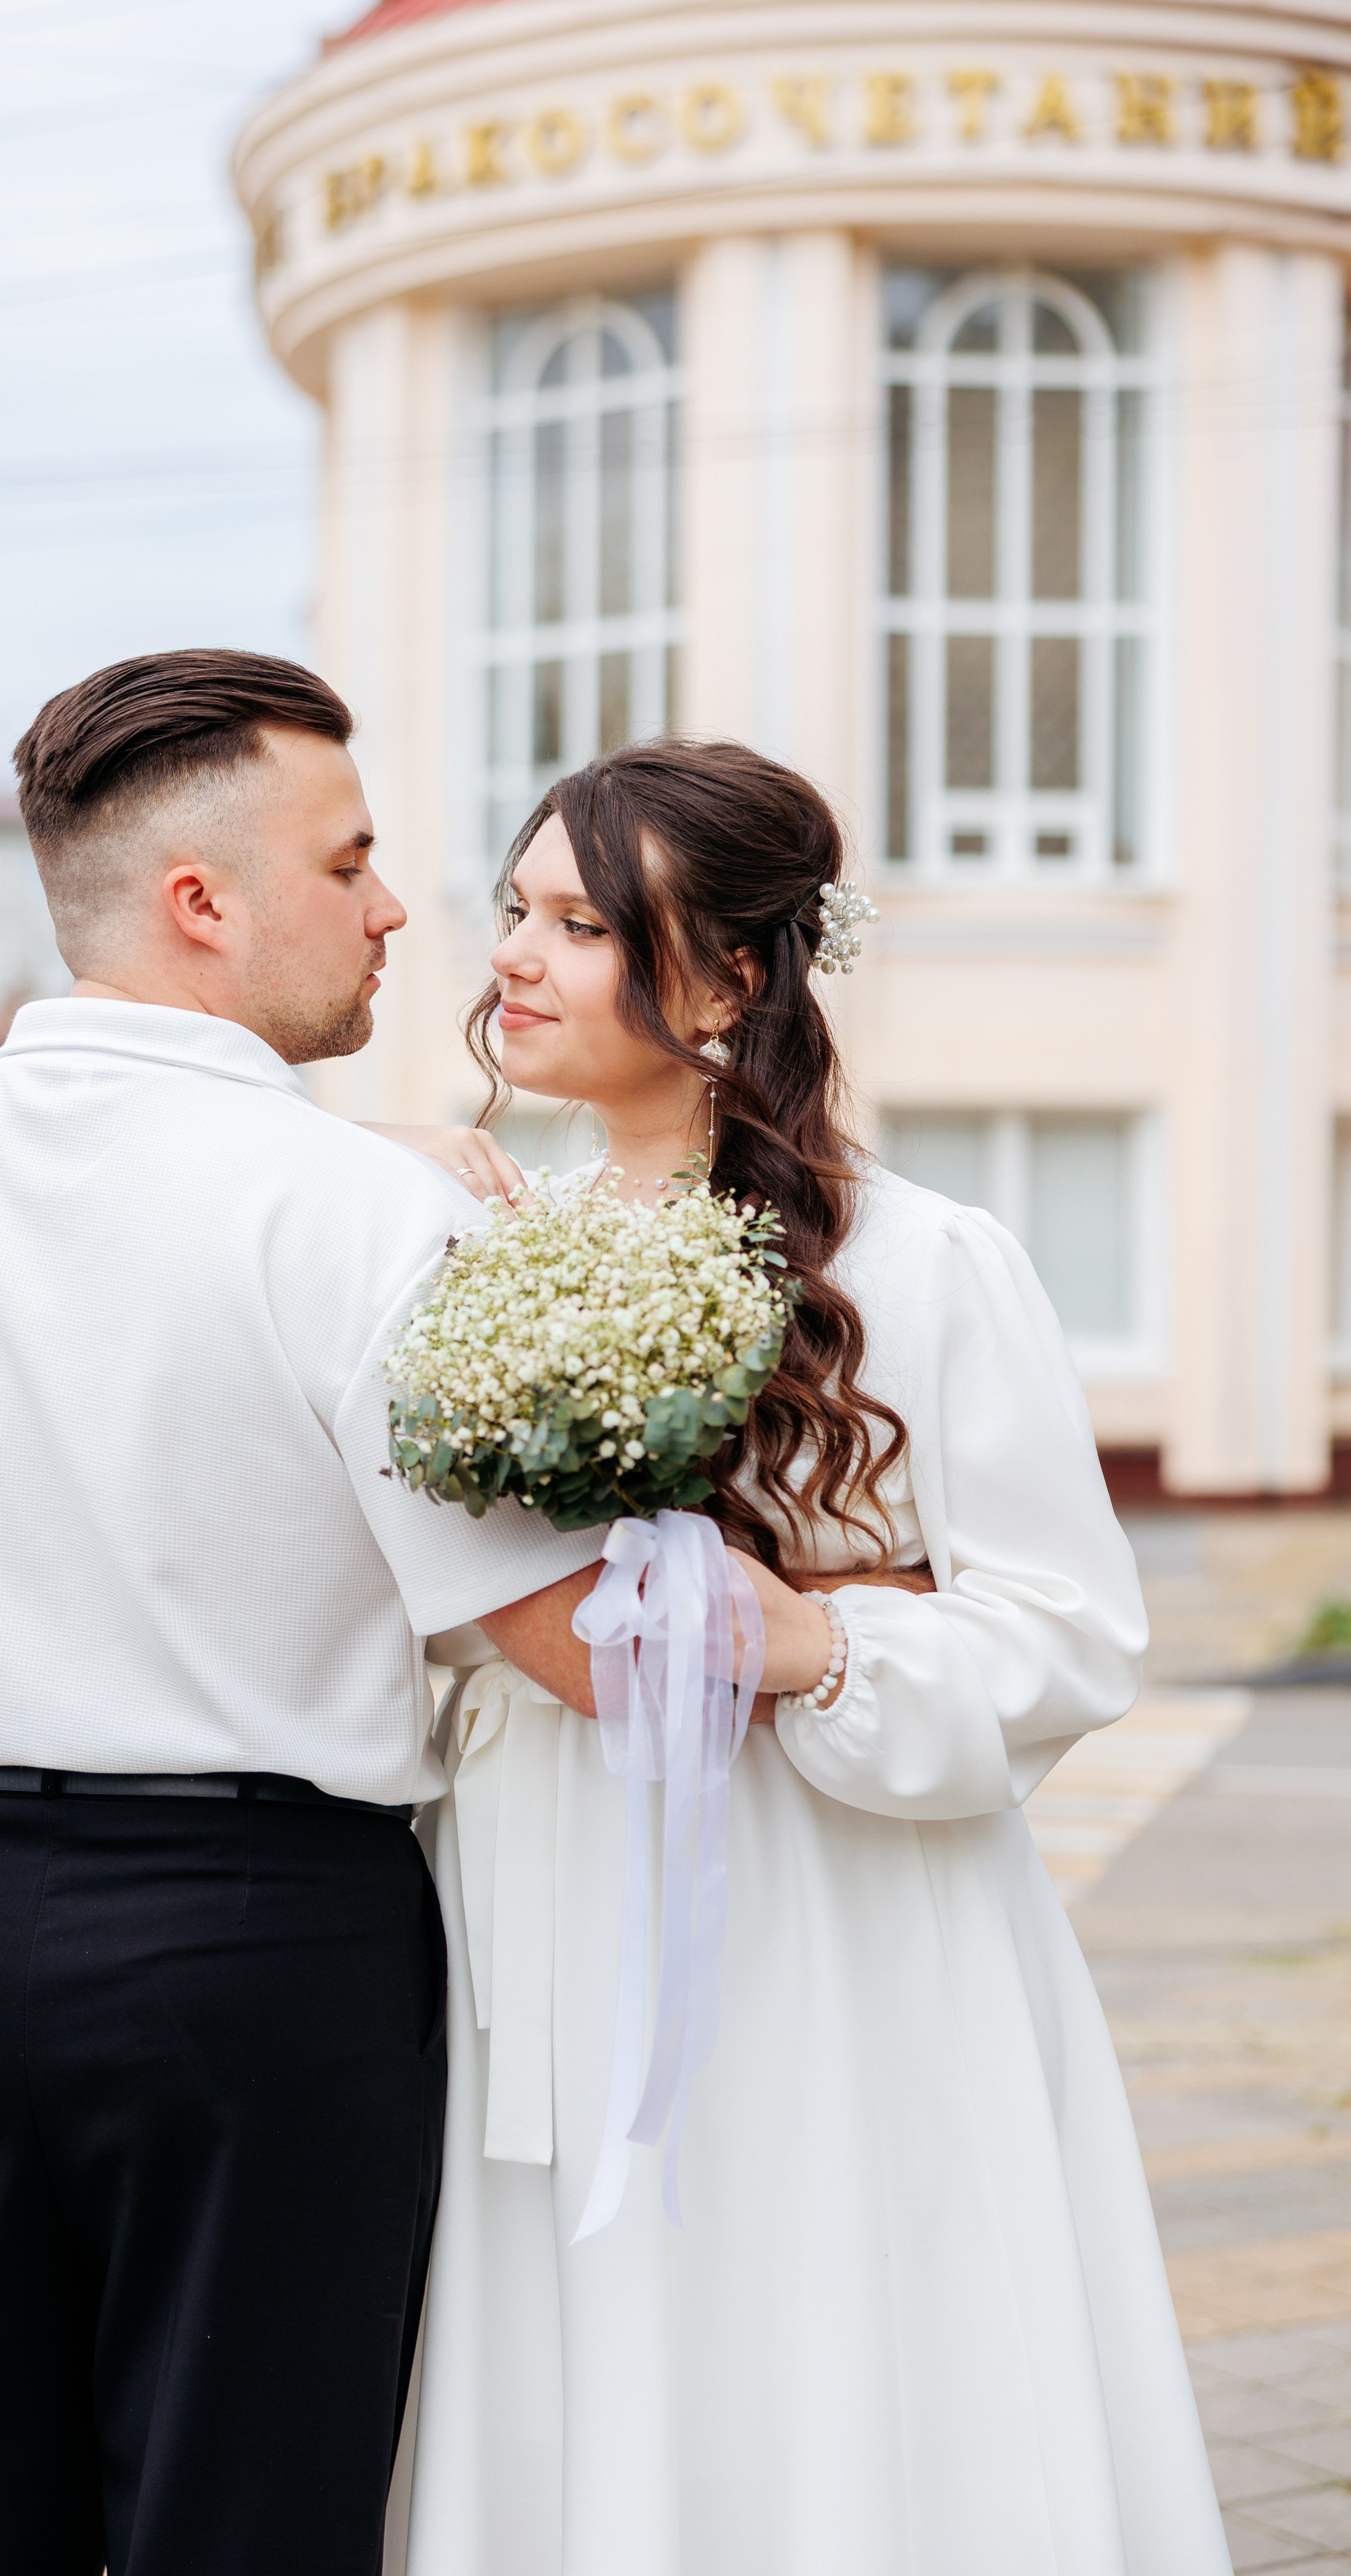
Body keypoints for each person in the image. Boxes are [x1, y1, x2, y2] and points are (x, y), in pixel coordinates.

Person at [0, 656, 837, 2576]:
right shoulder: (359, 1213)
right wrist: (868, 1629)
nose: (393, 913)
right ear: (204, 902)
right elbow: (571, 1645)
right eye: (353, 862)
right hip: (268, 1951)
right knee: (246, 2517)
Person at [375, 739, 1230, 2576]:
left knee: (827, 2332)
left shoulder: (925, 1261)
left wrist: (812, 1638)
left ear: (730, 973)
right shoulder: (464, 1246)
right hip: (532, 1887)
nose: (512, 958)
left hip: (830, 1920)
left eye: (580, 924)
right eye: (513, 911)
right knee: (574, 2349)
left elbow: (1067, 1638)